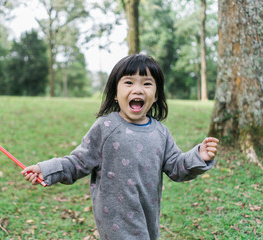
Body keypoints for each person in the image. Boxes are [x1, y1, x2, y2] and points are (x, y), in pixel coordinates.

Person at [22, 54, 219, 240]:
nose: (138, 89)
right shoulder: (106, 127)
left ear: (156, 95)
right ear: (115, 93)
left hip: (147, 220)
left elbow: (176, 167)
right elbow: (77, 163)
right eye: (129, 82)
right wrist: (47, 170)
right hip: (115, 223)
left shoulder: (161, 133)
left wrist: (199, 156)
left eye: (147, 84)